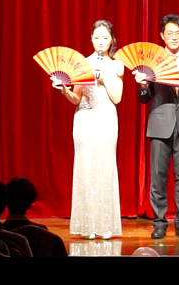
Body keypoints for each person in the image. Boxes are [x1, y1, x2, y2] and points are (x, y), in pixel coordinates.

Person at [135, 14, 179, 239]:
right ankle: (159, 223)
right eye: (169, 33)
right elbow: (144, 99)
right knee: (158, 176)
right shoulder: (153, 61)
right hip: (159, 124)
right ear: (162, 35)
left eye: (178, 33)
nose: (174, 37)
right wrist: (143, 86)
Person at [53, 19, 123, 240]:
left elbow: (117, 98)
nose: (101, 41)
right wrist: (65, 90)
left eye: (105, 37)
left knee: (105, 168)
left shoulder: (117, 65)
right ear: (91, 39)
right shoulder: (82, 63)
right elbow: (76, 98)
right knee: (86, 168)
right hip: (85, 119)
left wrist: (104, 78)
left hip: (107, 119)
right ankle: (87, 226)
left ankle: (106, 226)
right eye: (97, 37)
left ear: (111, 40)